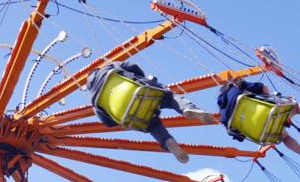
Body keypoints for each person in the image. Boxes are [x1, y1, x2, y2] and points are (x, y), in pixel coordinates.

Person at [90, 61, 218, 164]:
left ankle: (168, 142)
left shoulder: (94, 100)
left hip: (127, 113)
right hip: (137, 90)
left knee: (152, 125)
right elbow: (132, 66)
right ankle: (187, 109)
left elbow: (107, 123)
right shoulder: (109, 66)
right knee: (169, 97)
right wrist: (141, 78)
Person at [216, 78, 300, 168]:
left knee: (284, 138)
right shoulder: (236, 86)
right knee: (296, 106)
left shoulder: (223, 114)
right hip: (265, 113)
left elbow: (237, 136)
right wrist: (274, 98)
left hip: (259, 132)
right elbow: (263, 88)